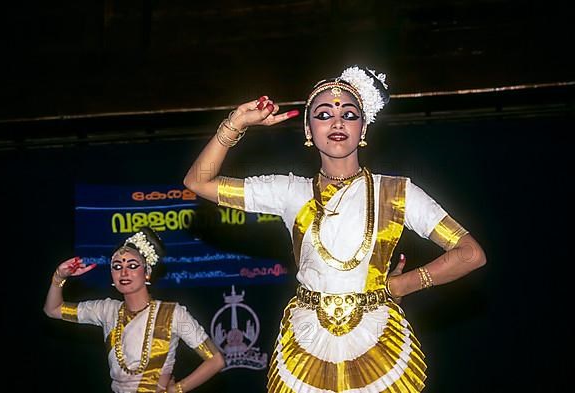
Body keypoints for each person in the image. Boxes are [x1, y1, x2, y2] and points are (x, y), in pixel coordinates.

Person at [183, 65, 486, 392]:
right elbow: (198, 182)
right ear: (309, 131)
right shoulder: (289, 191)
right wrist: (236, 124)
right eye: (324, 114)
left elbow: (470, 254)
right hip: (307, 341)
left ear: (363, 129)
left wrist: (402, 286)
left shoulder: (397, 193)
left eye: (349, 114)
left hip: (376, 337)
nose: (338, 122)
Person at [43, 227, 225, 393]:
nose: (124, 273)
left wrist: (176, 389)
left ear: (147, 272)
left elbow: (216, 360)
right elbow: (53, 310)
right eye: (117, 267)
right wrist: (58, 277)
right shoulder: (106, 310)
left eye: (131, 266)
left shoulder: (172, 313)